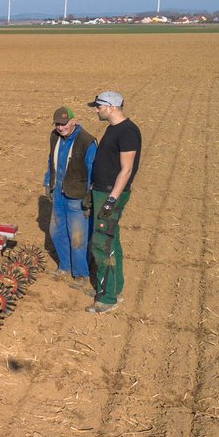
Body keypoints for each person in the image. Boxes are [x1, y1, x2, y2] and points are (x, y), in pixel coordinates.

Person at [86, 91, 142, 313]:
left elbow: (126, 169)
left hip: (110, 195)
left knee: (101, 244)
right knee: (112, 240)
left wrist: (111, 200)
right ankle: (112, 287)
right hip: (102, 192)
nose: (96, 110)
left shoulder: (127, 132)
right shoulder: (114, 128)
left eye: (98, 106)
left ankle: (107, 299)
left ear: (110, 107)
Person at [42, 106, 96, 289]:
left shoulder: (87, 142)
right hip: (59, 193)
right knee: (56, 231)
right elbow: (52, 161)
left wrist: (90, 196)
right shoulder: (55, 137)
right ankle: (64, 267)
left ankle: (81, 274)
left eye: (64, 124)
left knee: (78, 237)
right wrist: (48, 182)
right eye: (57, 124)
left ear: (74, 121)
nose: (60, 127)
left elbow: (93, 171)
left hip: (77, 196)